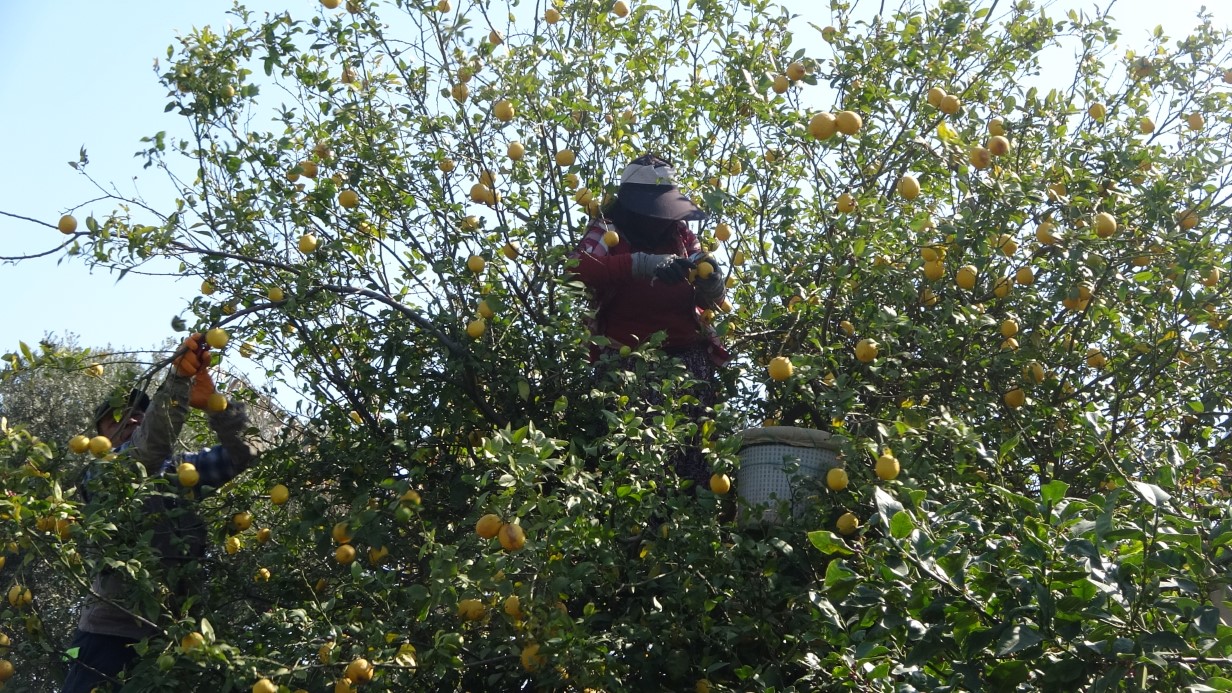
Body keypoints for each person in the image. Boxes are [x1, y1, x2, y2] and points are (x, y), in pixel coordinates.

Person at [61, 333, 262, 693]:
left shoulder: (178, 474)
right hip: (110, 633)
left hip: (175, 636)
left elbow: (244, 453)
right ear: (98, 436)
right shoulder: (100, 473)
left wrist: (218, 408)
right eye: (117, 418)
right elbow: (145, 453)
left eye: (140, 413)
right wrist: (178, 382)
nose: (132, 420)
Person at [567, 153, 729, 487]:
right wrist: (639, 264)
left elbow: (704, 273)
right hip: (628, 364)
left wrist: (712, 282)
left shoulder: (681, 235)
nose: (658, 219)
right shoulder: (609, 231)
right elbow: (576, 268)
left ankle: (684, 532)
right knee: (637, 466)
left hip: (687, 361)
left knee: (690, 462)